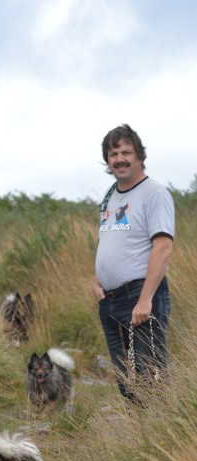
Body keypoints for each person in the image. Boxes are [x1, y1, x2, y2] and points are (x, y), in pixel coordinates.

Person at [92, 123, 175, 401]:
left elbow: (162, 248)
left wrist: (145, 299)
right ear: (107, 160)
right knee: (127, 380)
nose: (120, 159)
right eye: (113, 154)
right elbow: (107, 239)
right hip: (110, 301)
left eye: (126, 152)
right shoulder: (110, 196)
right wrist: (97, 280)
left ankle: (163, 440)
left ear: (140, 156)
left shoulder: (154, 193)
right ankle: (139, 439)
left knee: (149, 379)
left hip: (140, 298)